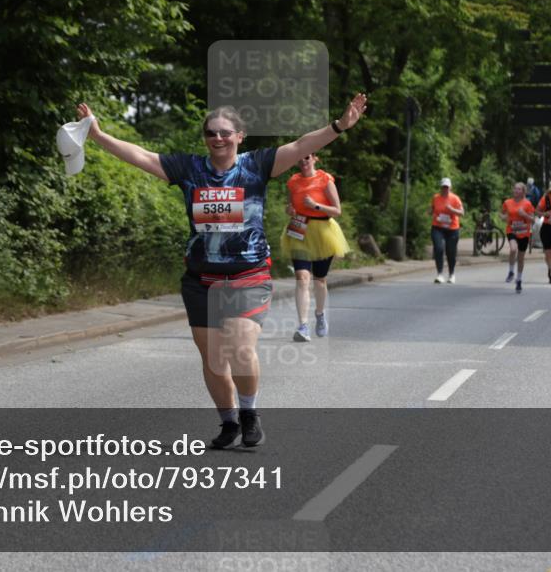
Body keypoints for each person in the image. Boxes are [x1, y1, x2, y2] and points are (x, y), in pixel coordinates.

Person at [76, 94, 367, 449]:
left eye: (225, 133)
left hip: (249, 275)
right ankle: (229, 422)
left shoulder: (257, 165)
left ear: (240, 136)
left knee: (241, 349)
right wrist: (99, 136)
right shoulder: (189, 169)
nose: (218, 138)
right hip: (201, 279)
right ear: (205, 138)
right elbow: (142, 156)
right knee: (213, 358)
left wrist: (339, 126)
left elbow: (302, 144)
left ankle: (249, 414)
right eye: (212, 133)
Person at [280, 153, 349, 341]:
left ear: (315, 158)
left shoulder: (325, 179)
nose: (303, 161)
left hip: (323, 231)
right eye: (300, 158)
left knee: (320, 280)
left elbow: (337, 210)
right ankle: (303, 325)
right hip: (299, 229)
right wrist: (290, 210)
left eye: (307, 157)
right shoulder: (293, 181)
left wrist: (316, 205)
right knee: (302, 277)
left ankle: (319, 314)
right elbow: (290, 206)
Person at [499, 182, 534, 293]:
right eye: (515, 189)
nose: (516, 191)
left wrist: (524, 215)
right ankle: (511, 271)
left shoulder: (527, 204)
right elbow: (501, 214)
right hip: (512, 230)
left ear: (523, 192)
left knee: (521, 257)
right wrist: (505, 218)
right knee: (513, 249)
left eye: (519, 189)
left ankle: (519, 279)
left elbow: (533, 219)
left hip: (524, 232)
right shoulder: (507, 202)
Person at [430, 177, 464, 284]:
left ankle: (451, 274)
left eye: (447, 187)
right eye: (443, 187)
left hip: (452, 228)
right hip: (438, 227)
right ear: (441, 187)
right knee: (438, 248)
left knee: (451, 251)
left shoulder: (455, 198)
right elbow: (432, 209)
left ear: (450, 187)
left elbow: (462, 213)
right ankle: (440, 274)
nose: (445, 189)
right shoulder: (436, 198)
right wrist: (429, 212)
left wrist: (452, 210)